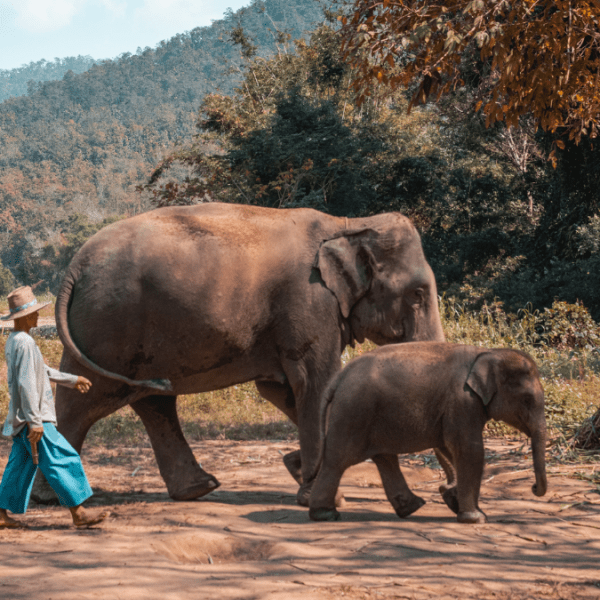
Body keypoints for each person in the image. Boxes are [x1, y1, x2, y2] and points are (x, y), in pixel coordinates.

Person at [0, 286, 108, 529]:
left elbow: (42, 372)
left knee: (19, 466)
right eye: (35, 313)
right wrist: (35, 421)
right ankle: (79, 513)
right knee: (63, 459)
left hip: (22, 418)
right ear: (26, 316)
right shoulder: (25, 342)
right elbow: (27, 383)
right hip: (35, 418)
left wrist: (72, 380)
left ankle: (1, 514)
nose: (38, 316)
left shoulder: (15, 340)